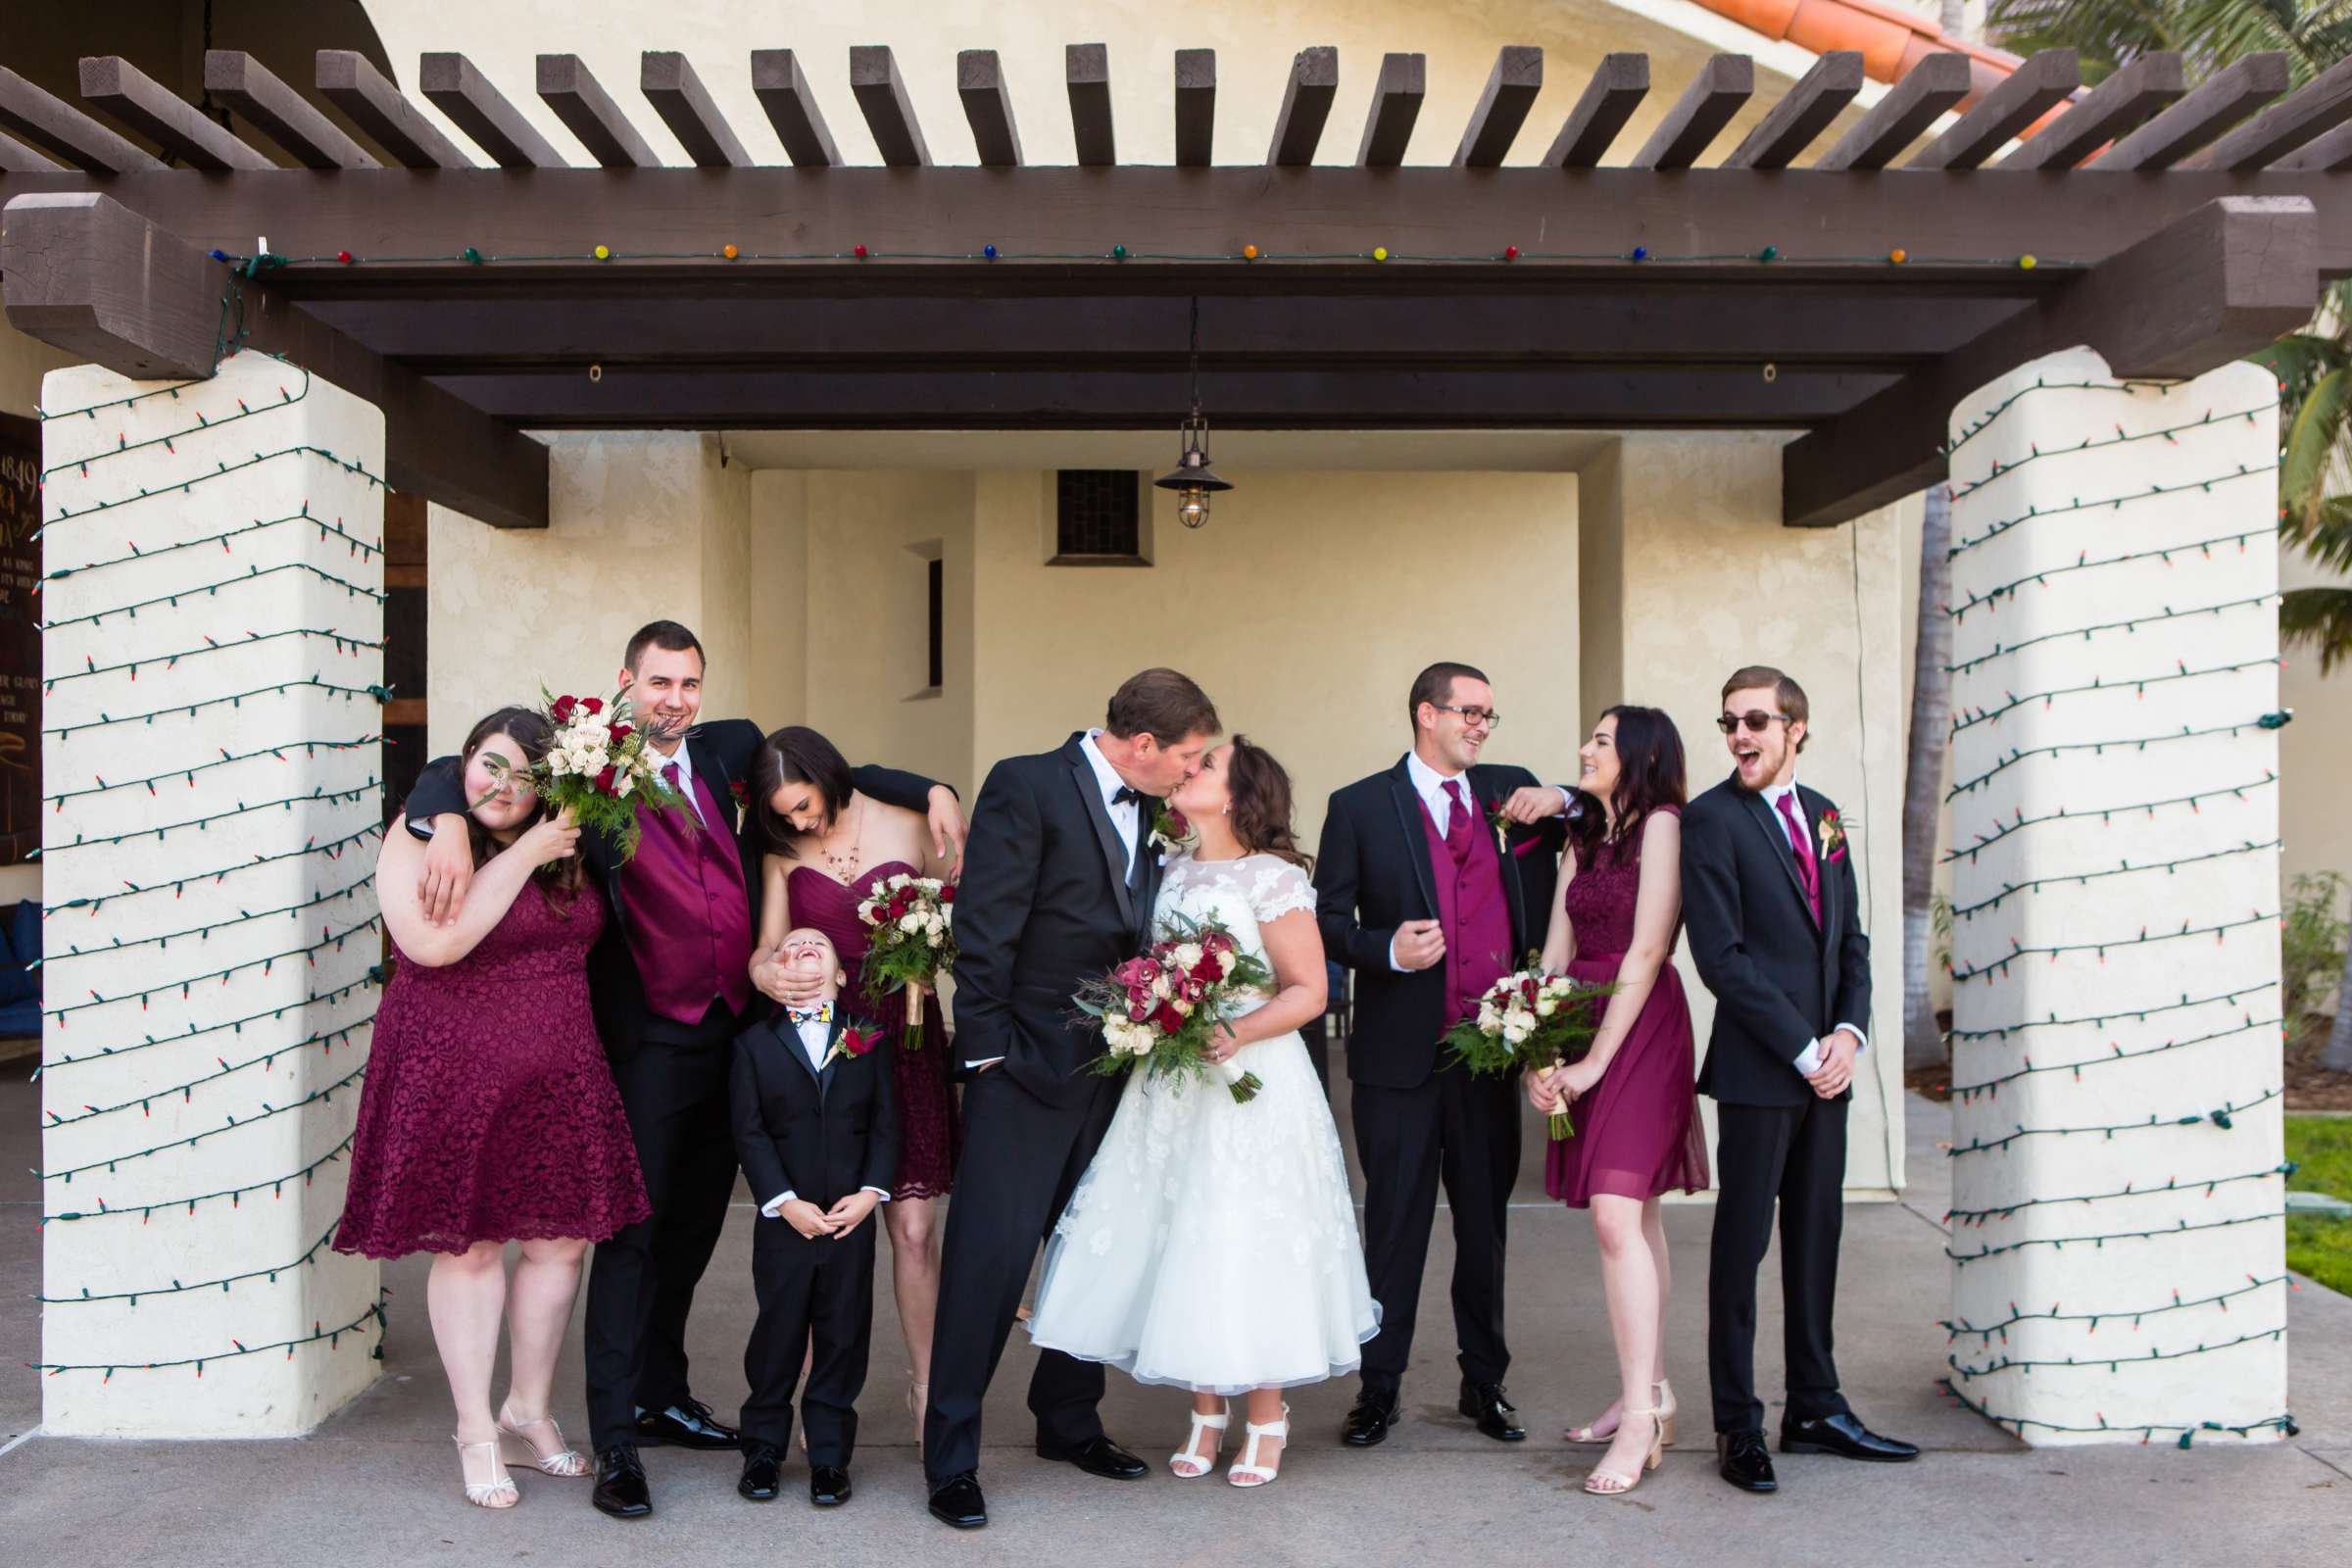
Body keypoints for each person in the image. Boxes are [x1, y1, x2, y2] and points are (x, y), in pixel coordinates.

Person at [402, 619, 963, 1521]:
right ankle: (617, 1437)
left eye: (688, 683)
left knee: (697, 1230)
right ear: (625, 682)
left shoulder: (732, 749)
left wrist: (932, 785)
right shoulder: (584, 766)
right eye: (659, 682)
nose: (675, 699)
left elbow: (835, 769)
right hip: (647, 1040)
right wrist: (438, 823)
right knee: (631, 1239)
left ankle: (662, 1396)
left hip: (738, 1035)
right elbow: (467, 766)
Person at [1027, 736, 1377, 1490]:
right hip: (1174, 1081)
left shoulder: (1272, 878)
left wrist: (1234, 1031)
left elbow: (1309, 989)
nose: (1189, 770)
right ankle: (1206, 1412)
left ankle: (1267, 1417)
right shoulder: (1170, 869)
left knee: (1247, 1233)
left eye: (1206, 765)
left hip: (1252, 1079)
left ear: (1236, 795)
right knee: (1185, 1234)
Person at [922, 668, 1222, 1530]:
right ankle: (950, 1458)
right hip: (1021, 1070)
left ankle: (1067, 1419)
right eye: (1186, 758)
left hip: (1117, 1070)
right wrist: (985, 1057)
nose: (1189, 773)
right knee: (990, 1262)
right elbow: (986, 923)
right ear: (1142, 746)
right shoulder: (1027, 783)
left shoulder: (1151, 806)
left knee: (1092, 1245)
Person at [337, 707, 648, 1509]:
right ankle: (476, 1427)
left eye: (521, 773)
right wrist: (504, 845)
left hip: (558, 1077)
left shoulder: (567, 841)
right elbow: (435, 945)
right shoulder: (419, 839)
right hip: (452, 1076)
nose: (500, 785)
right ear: (461, 764)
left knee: (560, 1247)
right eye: (486, 764)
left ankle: (528, 1409)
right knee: (470, 1249)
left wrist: (545, 844)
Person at [1313, 662, 1566, 1448]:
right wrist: (1383, 948)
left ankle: (1483, 1383)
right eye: (1471, 713)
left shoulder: (1512, 792)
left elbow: (1603, 825)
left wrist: (1564, 797)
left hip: (1489, 1055)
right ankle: (1377, 1387)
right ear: (1428, 714)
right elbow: (1325, 919)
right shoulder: (1358, 806)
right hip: (1398, 1059)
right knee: (1392, 1226)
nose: (1483, 728)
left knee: (1485, 1228)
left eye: (1491, 716)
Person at [1681, 664, 1918, 1494]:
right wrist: (1803, 1049)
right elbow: (1722, 959)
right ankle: (1738, 1425)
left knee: (1818, 1242)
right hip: (1761, 1073)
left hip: (1831, 1071)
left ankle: (1814, 1406)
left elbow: (1849, 939)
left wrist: (1848, 1037)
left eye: (1755, 721)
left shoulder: (1822, 817)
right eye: (1729, 723)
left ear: (1795, 728)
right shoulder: (1709, 820)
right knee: (1739, 1253)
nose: (1740, 736)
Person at [746, 725, 958, 1436]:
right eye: (787, 814)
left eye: (804, 805)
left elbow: (962, 912)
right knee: (822, 1230)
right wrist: (771, 977)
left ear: (829, 776)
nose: (801, 822)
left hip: (905, 1041)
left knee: (914, 1228)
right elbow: (764, 952)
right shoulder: (782, 852)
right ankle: (813, 1394)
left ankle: (927, 1385)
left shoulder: (909, 822)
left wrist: (934, 950)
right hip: (827, 1063)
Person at [1526, 706, 1710, 1497]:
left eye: (1600, 742)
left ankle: (1638, 1417)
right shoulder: (1580, 838)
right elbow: (1557, 955)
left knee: (1613, 1213)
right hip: (1583, 1023)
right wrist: (1541, 1051)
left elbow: (1646, 947)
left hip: (1642, 1027)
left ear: (1637, 754)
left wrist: (1599, 1060)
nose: (1584, 751)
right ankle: (1652, 1390)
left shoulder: (1665, 824)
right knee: (1632, 1217)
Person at [730, 928, 899, 1510]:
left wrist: (872, 1192)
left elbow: (884, 1122)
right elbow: (748, 1131)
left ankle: (829, 1455)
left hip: (850, 1216)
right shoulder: (753, 1044)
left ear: (841, 973)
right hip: (786, 1219)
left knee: (842, 1331)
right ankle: (762, 1449)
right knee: (778, 1331)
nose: (803, 948)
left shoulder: (868, 1037)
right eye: (791, 945)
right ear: (777, 972)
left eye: (818, 945)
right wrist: (781, 1199)